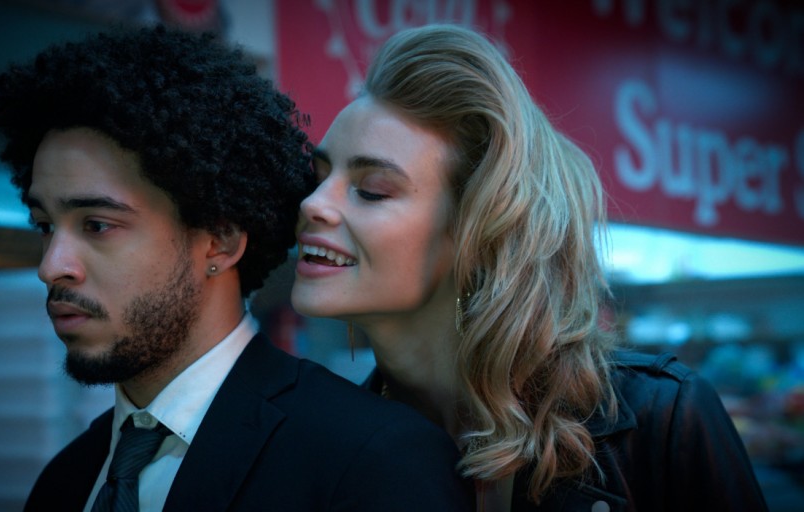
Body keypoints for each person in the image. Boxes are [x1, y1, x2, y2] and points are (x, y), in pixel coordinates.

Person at [0, 25, 475, 512]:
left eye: (97, 225)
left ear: (220, 241)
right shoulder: (64, 481)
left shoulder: (375, 459)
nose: (51, 266)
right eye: (45, 226)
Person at [291, 23, 768, 512]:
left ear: (478, 228)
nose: (313, 204)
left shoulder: (662, 420)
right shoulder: (324, 449)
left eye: (371, 190)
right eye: (319, 177)